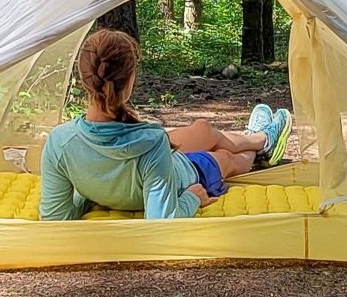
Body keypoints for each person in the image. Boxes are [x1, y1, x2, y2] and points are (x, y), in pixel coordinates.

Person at [38, 29, 292, 221]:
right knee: (227, 159)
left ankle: (260, 137)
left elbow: (55, 217)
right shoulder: (151, 141)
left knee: (203, 129)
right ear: (129, 82)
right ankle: (260, 150)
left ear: (84, 79)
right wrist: (194, 197)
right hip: (187, 175)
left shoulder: (60, 142)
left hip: (159, 161)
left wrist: (89, 192)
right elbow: (162, 219)